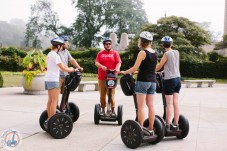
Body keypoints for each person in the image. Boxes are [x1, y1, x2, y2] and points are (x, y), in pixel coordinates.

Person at [121, 31, 157, 136]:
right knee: (151, 106)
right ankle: (151, 128)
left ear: (142, 41)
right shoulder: (155, 52)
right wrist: (137, 71)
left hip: (142, 82)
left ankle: (140, 129)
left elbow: (135, 67)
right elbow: (150, 68)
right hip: (152, 82)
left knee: (141, 107)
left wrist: (125, 72)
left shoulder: (142, 52)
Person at [44, 37, 76, 129]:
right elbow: (63, 68)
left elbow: (61, 65)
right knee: (54, 101)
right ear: (58, 46)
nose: (61, 47)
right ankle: (52, 121)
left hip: (47, 79)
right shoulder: (56, 55)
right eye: (61, 46)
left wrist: (69, 68)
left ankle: (49, 119)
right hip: (54, 79)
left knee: (50, 100)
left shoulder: (49, 54)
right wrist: (73, 69)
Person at [155, 36, 181, 131]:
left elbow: (159, 67)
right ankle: (176, 124)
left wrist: (151, 70)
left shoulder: (166, 54)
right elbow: (172, 65)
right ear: (171, 44)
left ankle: (168, 124)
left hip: (169, 80)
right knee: (176, 102)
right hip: (178, 79)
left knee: (169, 103)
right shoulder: (177, 52)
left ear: (163, 45)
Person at [95, 37, 122, 116]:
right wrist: (101, 66)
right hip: (102, 77)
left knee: (111, 94)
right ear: (104, 45)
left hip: (112, 77)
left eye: (109, 44)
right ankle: (103, 109)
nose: (108, 45)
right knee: (102, 94)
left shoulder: (115, 53)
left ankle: (112, 110)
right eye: (106, 44)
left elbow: (119, 62)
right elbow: (96, 62)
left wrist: (117, 68)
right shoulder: (100, 53)